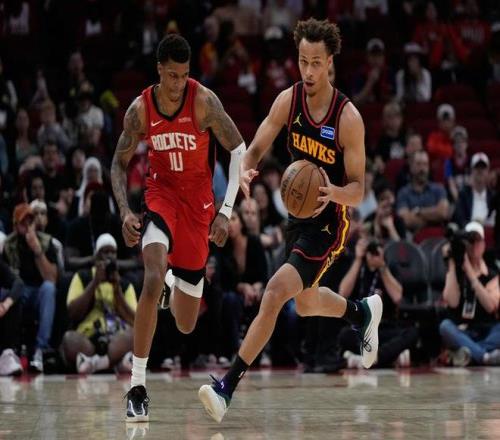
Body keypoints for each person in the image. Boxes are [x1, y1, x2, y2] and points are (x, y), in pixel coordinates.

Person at [198, 18, 383, 423]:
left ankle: (226, 387)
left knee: (274, 292)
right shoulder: (288, 100)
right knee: (304, 302)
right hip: (297, 218)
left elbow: (358, 190)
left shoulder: (348, 118)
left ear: (330, 62)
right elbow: (255, 148)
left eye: (316, 63)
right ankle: (361, 313)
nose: (309, 71)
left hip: (330, 221)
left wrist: (331, 193)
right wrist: (245, 169)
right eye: (303, 61)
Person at [111, 34, 245, 422]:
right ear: (159, 71)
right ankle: (137, 387)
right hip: (161, 196)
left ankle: (173, 284)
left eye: (184, 75)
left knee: (186, 323)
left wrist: (226, 212)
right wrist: (124, 211)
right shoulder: (140, 110)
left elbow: (238, 150)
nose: (178, 83)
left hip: (198, 206)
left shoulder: (203, 102)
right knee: (151, 278)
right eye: (172, 75)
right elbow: (118, 163)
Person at [61, 234, 136, 374]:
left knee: (136, 334)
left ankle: (93, 364)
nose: (109, 256)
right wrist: (94, 283)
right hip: (88, 338)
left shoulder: (125, 284)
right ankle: (116, 362)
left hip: (116, 338)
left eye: (113, 252)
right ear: (96, 256)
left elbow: (134, 320)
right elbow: (73, 313)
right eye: (105, 252)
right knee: (69, 338)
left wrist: (117, 290)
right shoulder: (83, 277)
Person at [439, 221, 500, 366]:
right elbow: (452, 301)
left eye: (477, 241)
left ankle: (469, 354)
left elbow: (491, 306)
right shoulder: (456, 272)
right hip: (463, 331)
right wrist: (452, 263)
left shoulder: (491, 274)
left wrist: (470, 272)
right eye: (469, 241)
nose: (473, 246)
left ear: (483, 244)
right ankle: (484, 356)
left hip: (487, 330)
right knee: (445, 327)